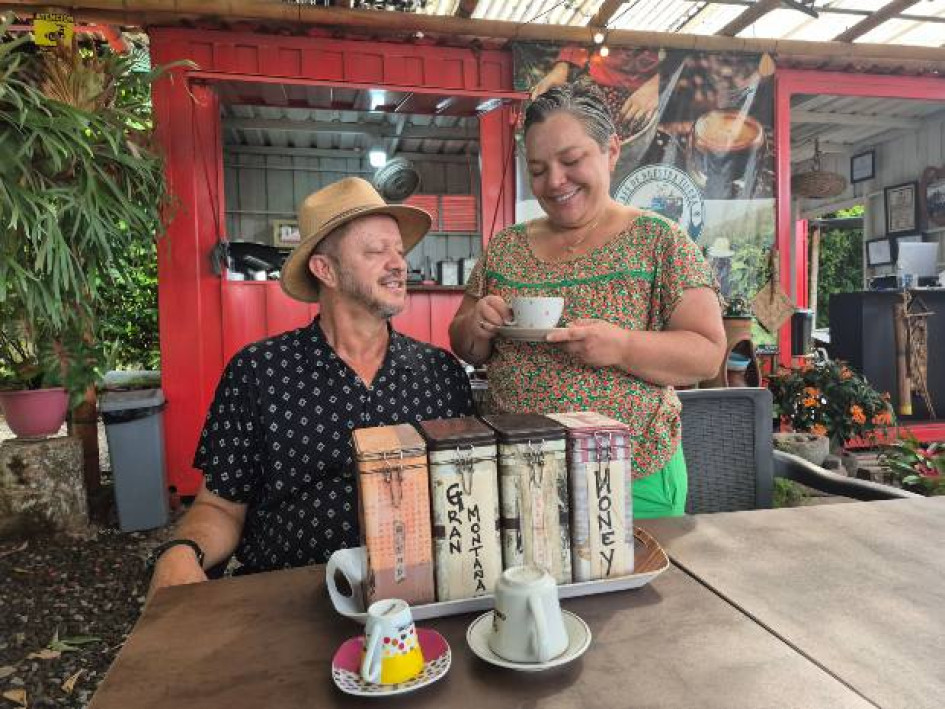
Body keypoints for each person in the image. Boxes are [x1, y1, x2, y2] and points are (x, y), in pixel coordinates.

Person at [147, 178, 475, 595]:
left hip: (414, 597)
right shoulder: (258, 372)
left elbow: (463, 499)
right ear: (325, 269)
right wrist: (181, 551)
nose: (398, 263)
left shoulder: (441, 375)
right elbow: (221, 505)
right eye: (376, 251)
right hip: (283, 597)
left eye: (399, 250)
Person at [449, 81, 725, 519]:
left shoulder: (660, 240)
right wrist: (475, 324)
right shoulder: (505, 247)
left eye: (572, 161)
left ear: (611, 151)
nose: (554, 181)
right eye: (537, 170)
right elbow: (464, 344)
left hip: (634, 474)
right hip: (522, 474)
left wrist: (622, 346)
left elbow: (708, 354)